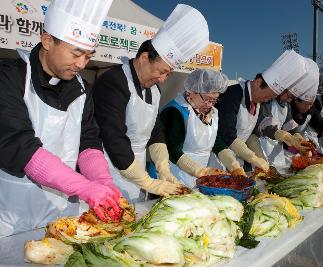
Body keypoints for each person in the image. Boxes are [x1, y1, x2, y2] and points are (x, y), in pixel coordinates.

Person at [0, 0, 122, 237]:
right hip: (13, 217)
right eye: (76, 53)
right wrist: (84, 186)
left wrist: (103, 181)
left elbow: (88, 141)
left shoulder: (82, 88)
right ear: (47, 41)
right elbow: (20, 145)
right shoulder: (9, 78)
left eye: (88, 56)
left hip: (65, 217)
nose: (81, 64)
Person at [93, 4, 209, 202]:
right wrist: (148, 182)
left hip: (135, 173)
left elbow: (155, 131)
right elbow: (113, 137)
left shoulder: (154, 89)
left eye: (168, 73)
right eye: (161, 71)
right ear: (145, 58)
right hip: (109, 169)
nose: (163, 79)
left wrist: (163, 167)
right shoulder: (114, 81)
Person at [210, 50, 308, 172]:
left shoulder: (257, 101)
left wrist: (260, 156)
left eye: (271, 98)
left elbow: (251, 133)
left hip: (238, 159)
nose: (266, 100)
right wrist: (252, 158)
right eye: (267, 96)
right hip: (219, 159)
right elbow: (227, 134)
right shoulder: (232, 95)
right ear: (258, 82)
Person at [156, 69, 233, 188]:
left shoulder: (212, 113)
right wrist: (200, 172)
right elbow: (173, 151)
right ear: (191, 92)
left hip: (199, 176)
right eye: (207, 99)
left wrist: (233, 164)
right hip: (175, 173)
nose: (210, 104)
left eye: (214, 100)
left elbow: (216, 142)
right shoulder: (175, 111)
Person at [255, 57, 319, 166]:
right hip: (259, 151)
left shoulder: (286, 105)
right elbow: (266, 125)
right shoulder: (266, 100)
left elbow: (290, 126)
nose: (290, 101)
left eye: (293, 98)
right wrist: (287, 137)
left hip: (276, 153)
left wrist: (299, 138)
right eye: (289, 96)